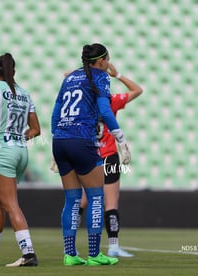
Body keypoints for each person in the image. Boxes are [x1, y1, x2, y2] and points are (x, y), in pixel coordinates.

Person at [51, 43, 130, 266]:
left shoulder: (70, 77)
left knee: (72, 200)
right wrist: (121, 139)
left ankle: (70, 254)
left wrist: (54, 143)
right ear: (102, 61)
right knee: (96, 197)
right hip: (82, 140)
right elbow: (105, 110)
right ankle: (94, 255)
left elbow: (56, 112)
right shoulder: (101, 77)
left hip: (60, 140)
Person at [0, 53, 41, 267]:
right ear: (14, 72)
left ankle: (28, 253)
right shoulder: (24, 93)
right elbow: (36, 129)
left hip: (2, 151)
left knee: (10, 204)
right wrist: (19, 137)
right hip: (21, 152)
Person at [78, 63, 143, 257]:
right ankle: (113, 246)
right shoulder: (110, 101)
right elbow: (137, 90)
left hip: (88, 156)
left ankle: (69, 242)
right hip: (108, 156)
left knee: (82, 200)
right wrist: (118, 75)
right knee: (111, 202)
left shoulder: (84, 104)